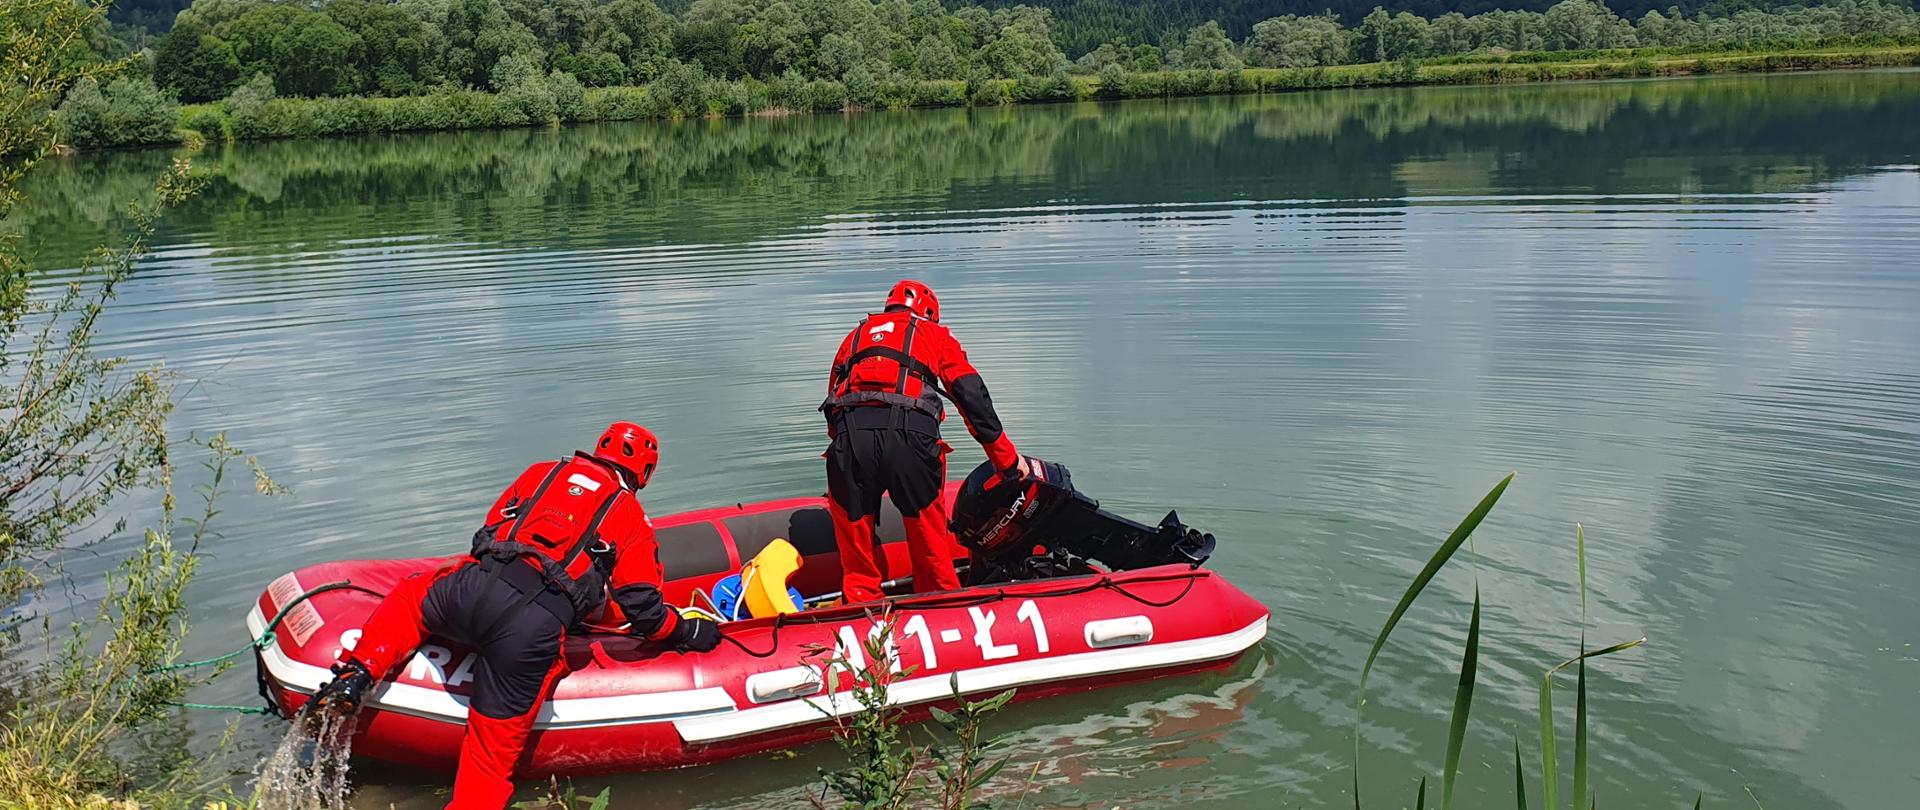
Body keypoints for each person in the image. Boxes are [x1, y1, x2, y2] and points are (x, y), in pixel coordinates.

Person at [309, 422, 723, 809]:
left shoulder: (541, 473)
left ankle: (357, 674)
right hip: (529, 630)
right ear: (644, 473)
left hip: (472, 587)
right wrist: (687, 630)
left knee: (413, 596)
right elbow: (643, 611)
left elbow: (486, 536)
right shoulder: (629, 514)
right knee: (487, 768)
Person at [821, 279, 1028, 603]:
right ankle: (944, 610)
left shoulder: (855, 336)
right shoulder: (934, 334)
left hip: (851, 442)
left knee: (857, 566)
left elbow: (833, 397)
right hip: (911, 441)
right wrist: (1006, 462)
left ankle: (861, 619)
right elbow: (971, 394)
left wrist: (847, 466)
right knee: (931, 551)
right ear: (929, 312)